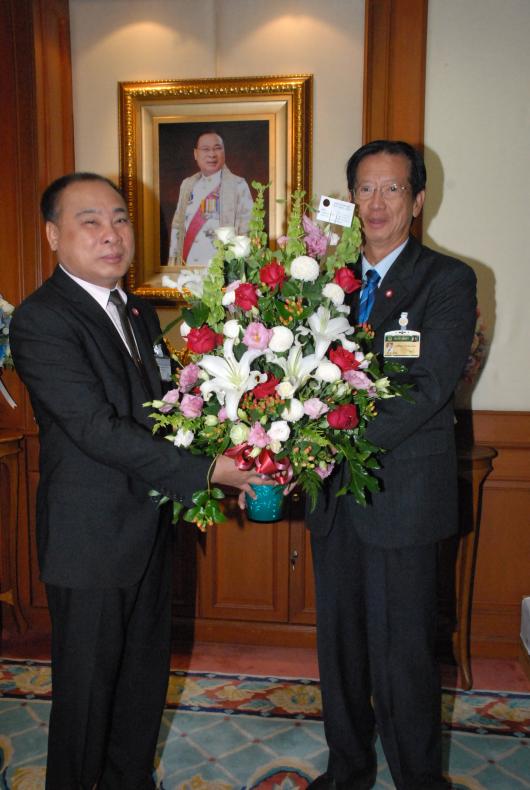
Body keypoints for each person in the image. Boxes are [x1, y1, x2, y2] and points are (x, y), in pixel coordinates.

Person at [10, 172, 267, 790]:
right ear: (53, 235)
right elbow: (96, 429)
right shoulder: (42, 320)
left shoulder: (137, 312)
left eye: (120, 219)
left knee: (141, 686)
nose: (111, 234)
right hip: (90, 541)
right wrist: (207, 472)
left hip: (149, 528)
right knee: (86, 699)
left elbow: (166, 415)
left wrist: (231, 453)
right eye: (90, 222)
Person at [306, 141, 477, 790]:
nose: (376, 203)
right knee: (341, 650)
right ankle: (346, 771)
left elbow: (429, 387)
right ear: (350, 199)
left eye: (393, 189)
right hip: (332, 501)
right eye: (365, 189)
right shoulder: (323, 282)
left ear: (418, 200)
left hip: (403, 499)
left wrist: (334, 444)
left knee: (404, 657)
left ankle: (418, 781)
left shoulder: (448, 280)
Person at [167, 130, 254, 266]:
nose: (212, 154)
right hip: (188, 266)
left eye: (217, 148)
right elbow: (177, 227)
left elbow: (248, 230)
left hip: (222, 268)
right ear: (196, 154)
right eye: (205, 149)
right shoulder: (187, 185)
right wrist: (173, 262)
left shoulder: (238, 185)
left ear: (224, 152)